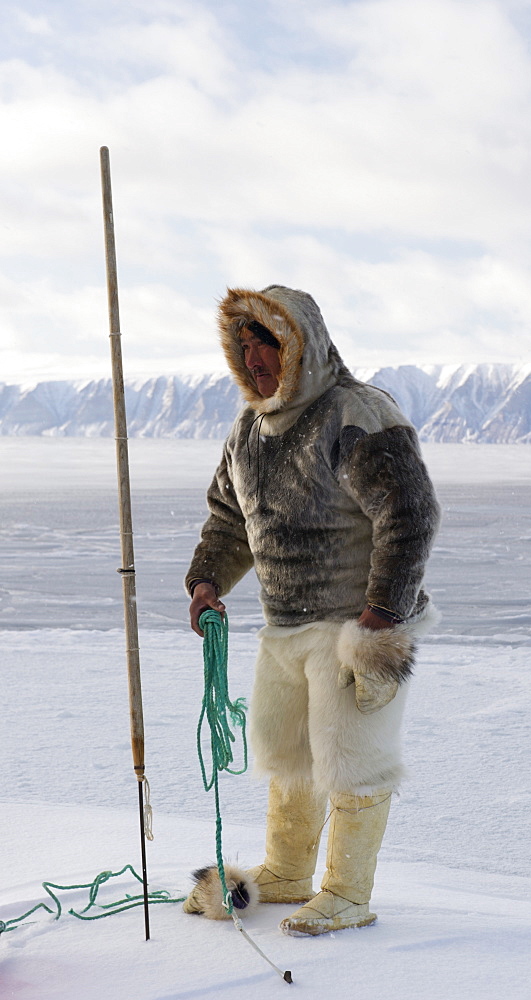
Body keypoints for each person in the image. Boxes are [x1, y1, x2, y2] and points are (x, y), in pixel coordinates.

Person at [183, 285, 440, 936]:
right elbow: (229, 518)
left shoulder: (355, 413)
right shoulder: (249, 430)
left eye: (264, 342)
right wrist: (207, 582)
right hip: (286, 626)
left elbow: (407, 514)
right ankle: (288, 872)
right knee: (288, 755)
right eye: (242, 347)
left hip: (358, 626)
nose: (253, 358)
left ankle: (347, 892)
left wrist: (382, 614)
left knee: (353, 760)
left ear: (298, 343)